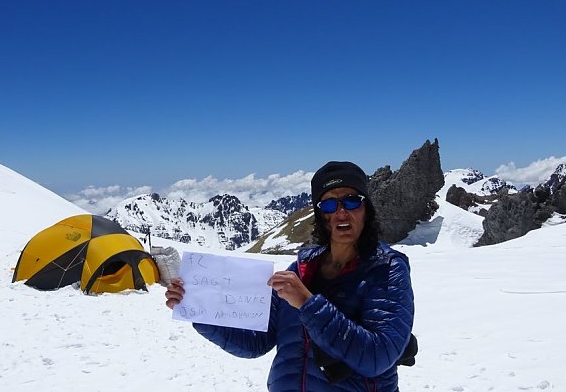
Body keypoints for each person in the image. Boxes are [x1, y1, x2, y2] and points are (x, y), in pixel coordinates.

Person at [165, 161, 415, 391]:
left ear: (366, 208)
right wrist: (200, 309)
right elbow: (256, 341)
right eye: (328, 204)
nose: (340, 213)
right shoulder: (300, 270)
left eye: (351, 201)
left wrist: (307, 304)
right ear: (321, 216)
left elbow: (378, 357)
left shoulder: (386, 268)